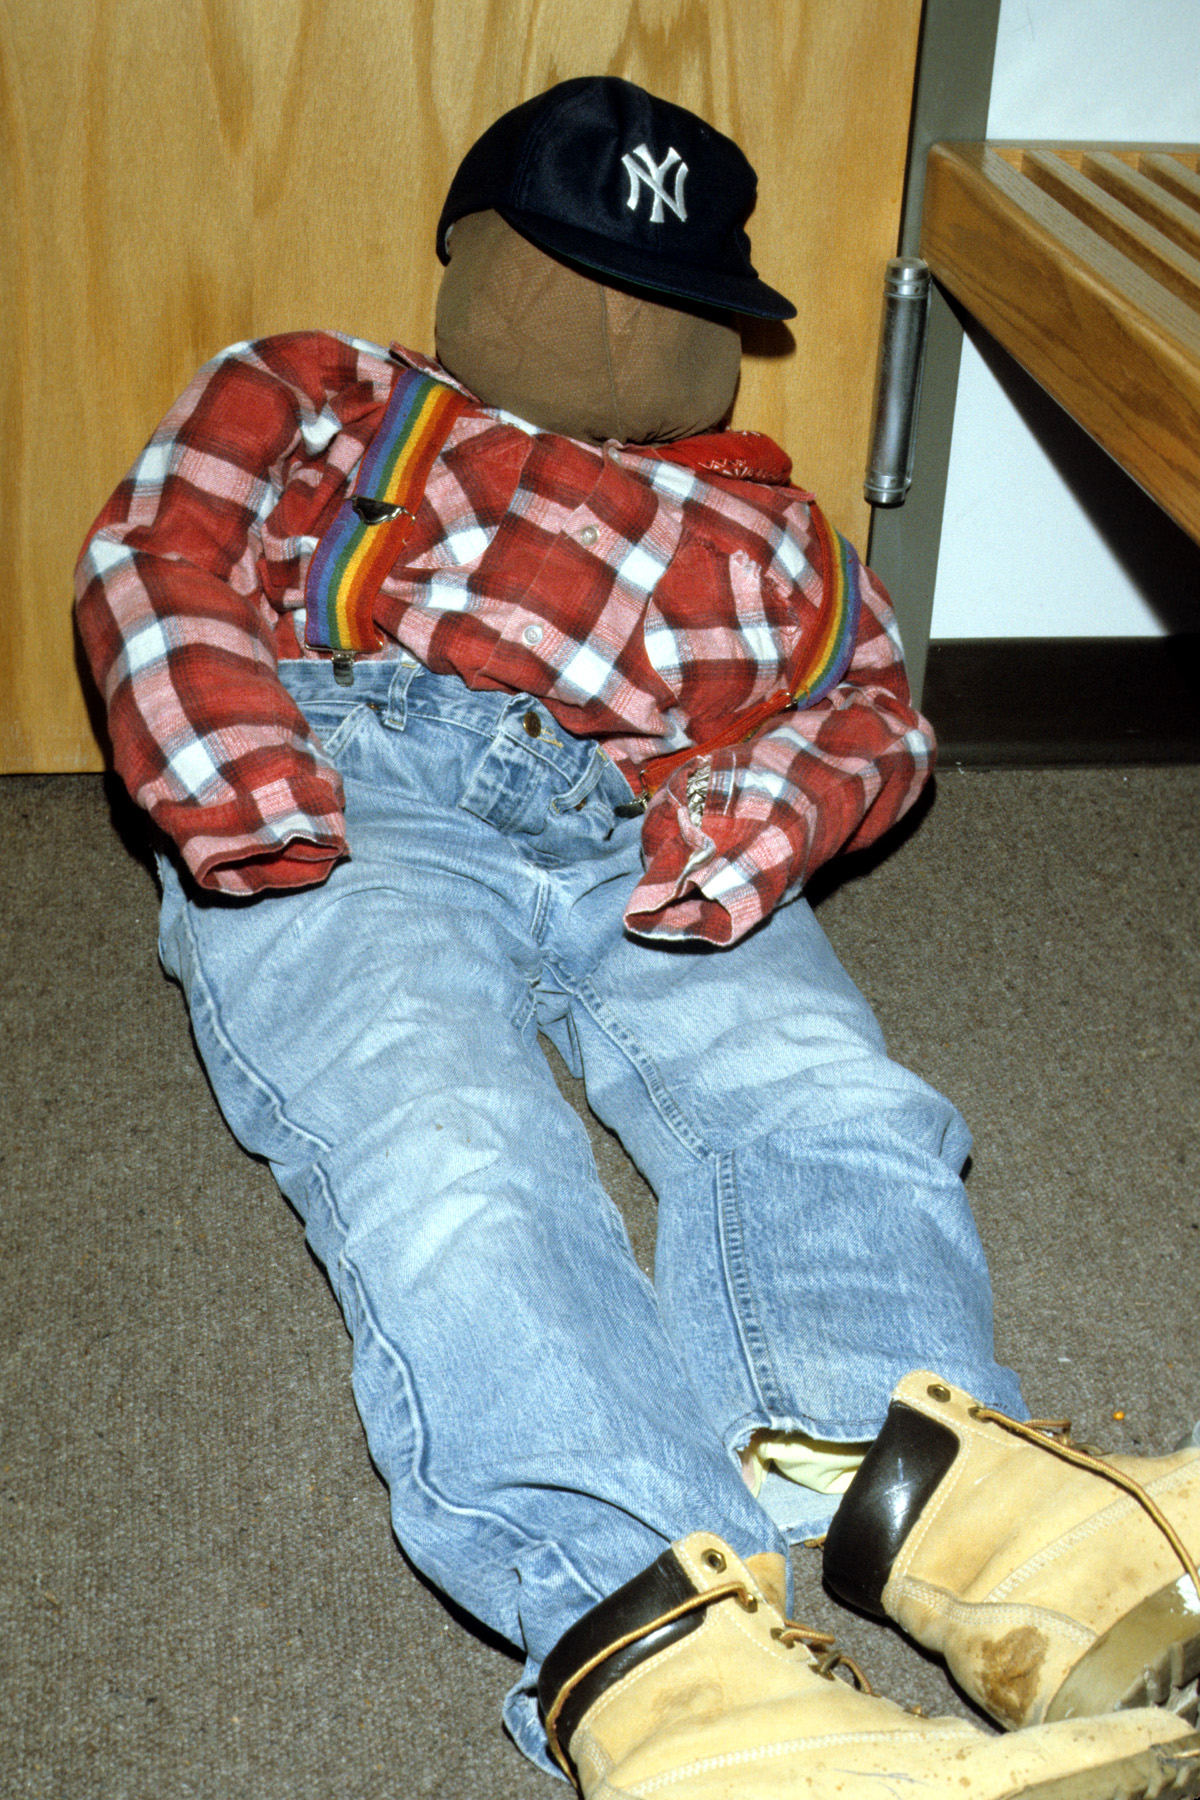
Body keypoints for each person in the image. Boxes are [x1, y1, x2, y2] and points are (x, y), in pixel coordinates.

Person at [75, 76, 1200, 1800]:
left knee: (820, 1091)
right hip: (365, 774)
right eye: (570, 275)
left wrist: (770, 817)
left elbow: (871, 709)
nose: (616, 331)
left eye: (660, 299)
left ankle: (962, 1508)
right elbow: (165, 547)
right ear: (468, 258)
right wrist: (243, 775)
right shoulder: (324, 389)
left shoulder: (783, 531)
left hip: (665, 819)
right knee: (450, 1143)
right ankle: (670, 1665)